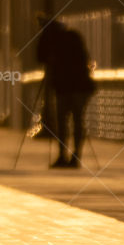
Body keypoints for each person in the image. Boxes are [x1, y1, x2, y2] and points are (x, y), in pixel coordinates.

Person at [36, 18, 95, 167]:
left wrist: (44, 37)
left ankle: (63, 155)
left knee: (63, 122)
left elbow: (40, 57)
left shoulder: (54, 42)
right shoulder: (74, 37)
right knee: (77, 121)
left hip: (65, 87)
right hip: (80, 87)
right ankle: (76, 155)